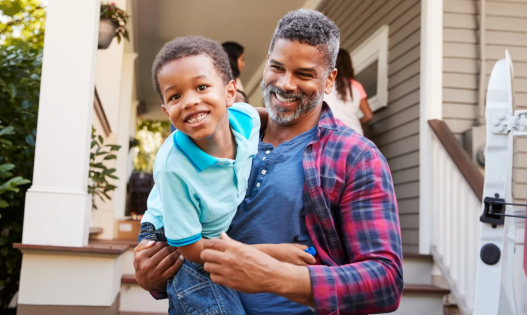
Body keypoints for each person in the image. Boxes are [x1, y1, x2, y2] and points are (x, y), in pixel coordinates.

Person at [134, 9, 403, 315]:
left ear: (329, 81)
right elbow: (182, 235)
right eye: (277, 67)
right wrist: (153, 271)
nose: (286, 84)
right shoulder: (215, 138)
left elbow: (386, 281)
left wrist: (276, 276)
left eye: (304, 74)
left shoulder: (355, 157)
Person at [139, 35, 316, 315]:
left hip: (207, 236)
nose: (189, 101)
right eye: (175, 96)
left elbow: (273, 119)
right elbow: (190, 249)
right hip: (176, 238)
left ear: (230, 92)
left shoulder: (245, 119)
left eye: (201, 86)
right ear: (165, 110)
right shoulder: (173, 167)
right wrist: (273, 253)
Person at [323, 48, 373, 135]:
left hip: (330, 134)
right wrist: (356, 123)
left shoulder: (324, 83)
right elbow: (369, 116)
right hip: (354, 134)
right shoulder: (356, 86)